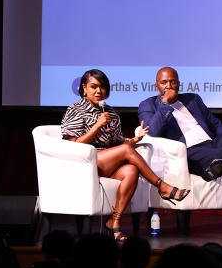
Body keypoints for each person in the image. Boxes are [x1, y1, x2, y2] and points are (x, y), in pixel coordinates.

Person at [137, 66, 222, 237]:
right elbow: (152, 134)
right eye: (164, 83)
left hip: (214, 146)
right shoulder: (148, 105)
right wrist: (165, 105)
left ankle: (219, 161)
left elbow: (215, 124)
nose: (169, 86)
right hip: (187, 152)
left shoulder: (193, 99)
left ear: (179, 84)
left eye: (172, 82)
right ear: (156, 85)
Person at [61, 69, 190, 242]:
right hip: (85, 162)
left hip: (105, 162)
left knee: (130, 170)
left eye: (103, 87)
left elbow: (118, 143)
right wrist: (96, 127)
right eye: (94, 87)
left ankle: (114, 221)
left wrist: (134, 139)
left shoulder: (111, 113)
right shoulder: (75, 110)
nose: (99, 91)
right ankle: (162, 186)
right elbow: (73, 145)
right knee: (126, 152)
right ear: (84, 88)